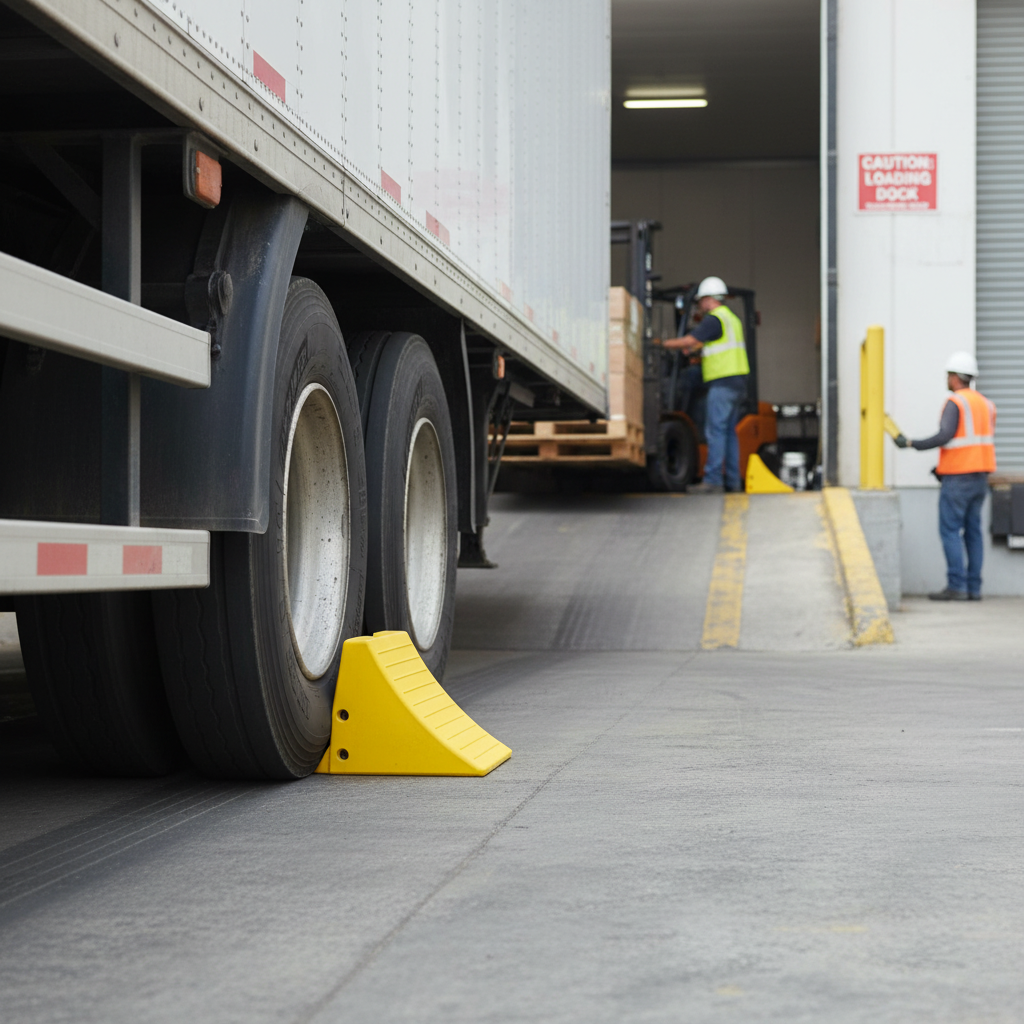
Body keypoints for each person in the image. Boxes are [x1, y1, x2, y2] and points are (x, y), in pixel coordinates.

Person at [892, 351, 996, 601]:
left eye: (949, 375)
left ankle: (956, 586)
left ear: (955, 377)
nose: (947, 380)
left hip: (958, 478)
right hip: (980, 477)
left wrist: (911, 443)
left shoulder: (956, 402)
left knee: (950, 530)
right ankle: (974, 589)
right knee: (973, 532)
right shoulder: (987, 404)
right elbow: (973, 443)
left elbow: (945, 435)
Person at [664, 276, 750, 493]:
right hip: (737, 382)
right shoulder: (731, 318)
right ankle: (733, 482)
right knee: (729, 433)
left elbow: (689, 340)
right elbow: (710, 344)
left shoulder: (714, 319)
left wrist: (661, 344)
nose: (700, 305)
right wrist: (696, 349)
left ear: (709, 299)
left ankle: (712, 480)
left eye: (701, 301)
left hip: (722, 384)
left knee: (715, 432)